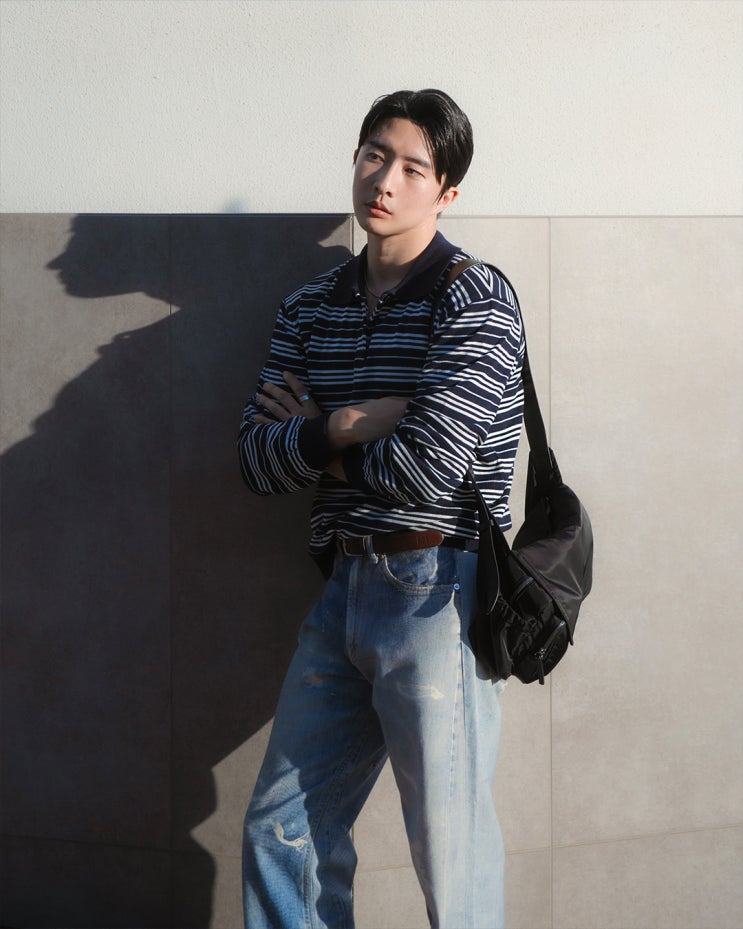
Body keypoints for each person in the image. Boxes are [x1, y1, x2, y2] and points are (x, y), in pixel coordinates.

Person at [238, 88, 524, 929]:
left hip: (438, 588)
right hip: (341, 589)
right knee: (280, 830)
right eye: (373, 155)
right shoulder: (310, 307)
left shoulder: (473, 298)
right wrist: (353, 422)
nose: (384, 181)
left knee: (449, 853)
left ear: (446, 192)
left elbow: (430, 466)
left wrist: (313, 437)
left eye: (412, 168)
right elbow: (254, 460)